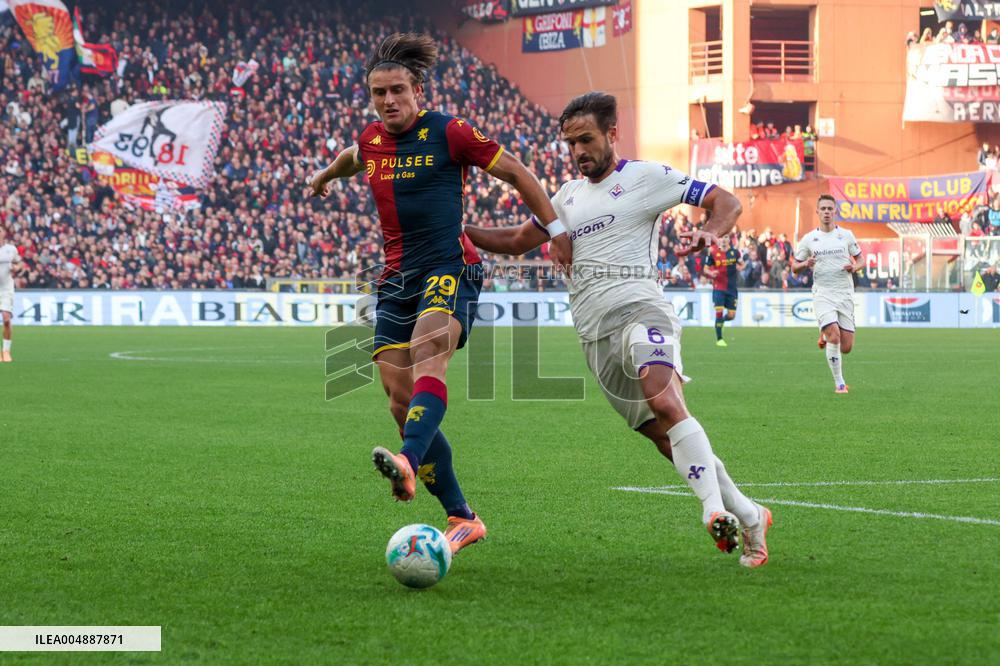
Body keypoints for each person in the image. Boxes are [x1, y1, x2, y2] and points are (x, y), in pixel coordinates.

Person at [465, 92, 772, 568]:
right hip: (594, 334)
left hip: (641, 309)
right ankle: (750, 514)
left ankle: (713, 511)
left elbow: (725, 201)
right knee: (661, 435)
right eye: (570, 144)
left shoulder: (646, 178)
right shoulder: (565, 197)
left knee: (664, 400)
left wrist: (711, 230)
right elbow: (517, 240)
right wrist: (461, 231)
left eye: (586, 139)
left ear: (612, 134)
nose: (578, 151)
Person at [307, 34, 572, 555]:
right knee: (398, 396)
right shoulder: (371, 141)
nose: (388, 101)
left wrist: (557, 230)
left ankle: (406, 460)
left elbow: (517, 172)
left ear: (418, 90)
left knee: (431, 355)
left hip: (451, 265)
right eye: (379, 93)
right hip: (396, 278)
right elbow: (349, 157)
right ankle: (462, 515)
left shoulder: (449, 131)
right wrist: (323, 175)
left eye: (397, 90)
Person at [790, 195, 863, 394]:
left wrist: (855, 267)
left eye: (830, 208)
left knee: (846, 347)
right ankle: (839, 383)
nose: (827, 212)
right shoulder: (809, 239)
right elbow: (794, 267)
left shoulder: (846, 235)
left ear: (835, 211)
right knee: (834, 336)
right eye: (823, 208)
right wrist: (805, 264)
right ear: (817, 212)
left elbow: (861, 260)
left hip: (844, 293)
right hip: (822, 292)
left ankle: (824, 331)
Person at [703, 234, 742, 347]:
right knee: (719, 312)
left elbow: (741, 264)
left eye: (726, 237)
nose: (724, 240)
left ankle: (720, 323)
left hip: (732, 288)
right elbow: (705, 269)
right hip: (719, 287)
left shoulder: (735, 252)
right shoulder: (713, 252)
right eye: (721, 238)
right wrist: (711, 273)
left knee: (731, 315)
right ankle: (719, 339)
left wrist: (740, 267)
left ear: (729, 239)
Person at [0, 226, 20, 362]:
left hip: (6, 288)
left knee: (6, 319)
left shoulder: (11, 249)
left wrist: (15, 268)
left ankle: (6, 351)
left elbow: (18, 263)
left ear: (3, 234)